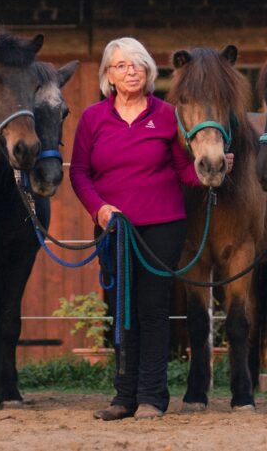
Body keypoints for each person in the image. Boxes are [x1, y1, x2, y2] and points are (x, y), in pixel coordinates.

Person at [69, 36, 202, 421]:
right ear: (108, 76)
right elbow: (79, 172)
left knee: (153, 309)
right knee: (119, 310)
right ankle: (123, 397)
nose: (131, 71)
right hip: (114, 229)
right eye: (122, 65)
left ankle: (151, 398)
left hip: (162, 226)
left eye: (138, 65)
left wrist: (213, 169)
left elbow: (183, 170)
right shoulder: (94, 118)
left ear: (149, 72)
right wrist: (98, 209)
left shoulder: (166, 115)